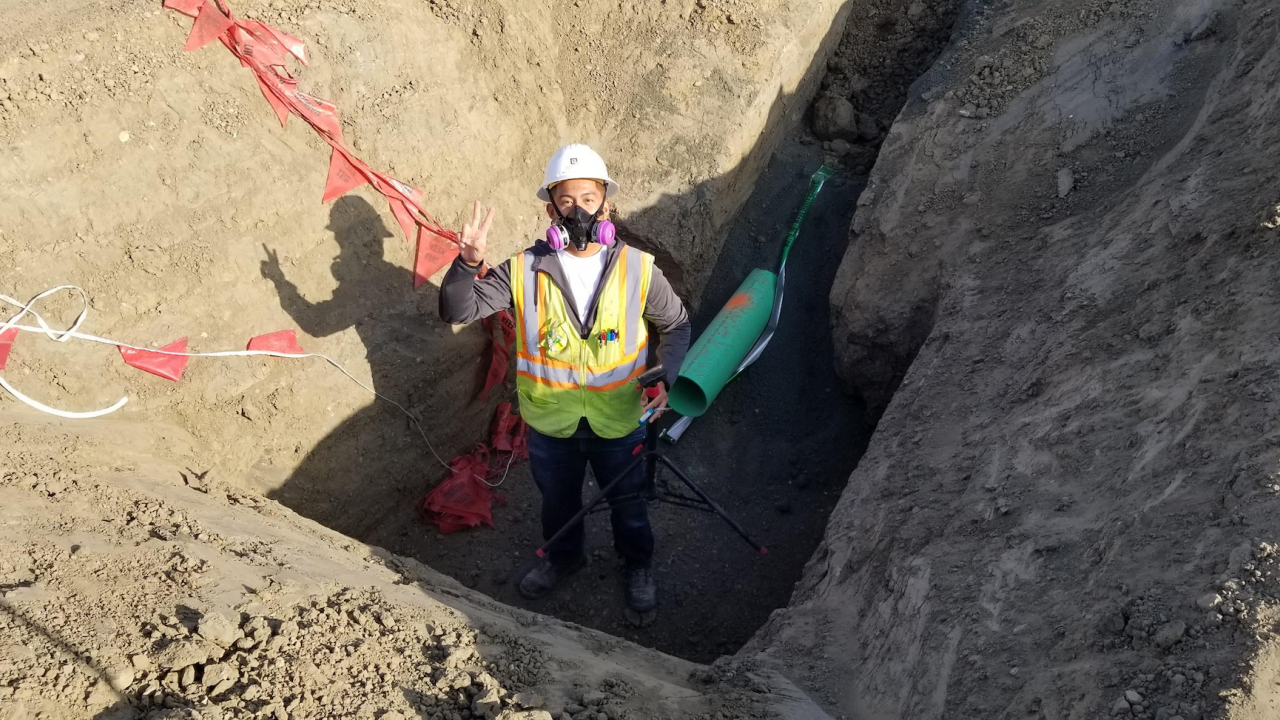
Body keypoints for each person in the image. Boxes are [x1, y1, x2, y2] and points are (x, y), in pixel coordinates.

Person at [438, 144, 691, 613]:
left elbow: (675, 326)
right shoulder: (522, 269)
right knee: (558, 502)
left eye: (589, 199)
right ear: (550, 209)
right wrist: (467, 263)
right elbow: (457, 310)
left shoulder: (638, 268)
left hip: (620, 419)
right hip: (552, 423)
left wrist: (666, 376)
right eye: (567, 200)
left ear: (606, 204)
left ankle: (637, 563)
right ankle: (563, 558)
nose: (579, 211)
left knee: (629, 501)